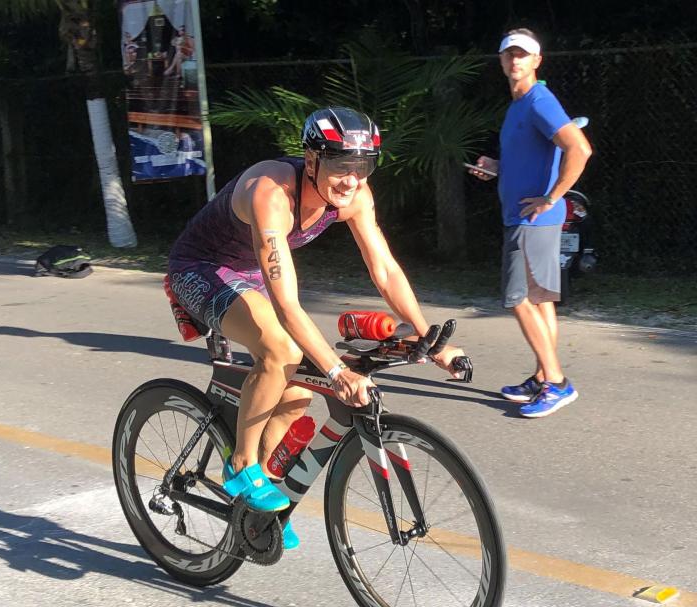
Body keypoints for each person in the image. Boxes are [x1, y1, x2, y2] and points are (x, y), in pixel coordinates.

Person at [168, 106, 467, 548]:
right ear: (311, 160)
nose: (351, 180)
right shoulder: (272, 192)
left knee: (298, 393)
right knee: (282, 352)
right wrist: (337, 371)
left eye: (362, 167)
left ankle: (261, 505)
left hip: (251, 273)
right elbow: (287, 304)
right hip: (200, 268)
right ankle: (242, 464)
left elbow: (384, 269)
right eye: (341, 166)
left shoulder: (356, 195)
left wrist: (429, 339)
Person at [468, 28, 592, 418]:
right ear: (501, 61)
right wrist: (496, 167)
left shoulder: (539, 100)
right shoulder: (519, 106)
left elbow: (579, 148)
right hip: (530, 219)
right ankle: (543, 377)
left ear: (537, 61)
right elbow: (530, 158)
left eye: (523, 54)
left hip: (532, 220)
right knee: (540, 300)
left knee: (517, 298)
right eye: (509, 54)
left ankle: (556, 382)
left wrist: (552, 198)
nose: (515, 60)